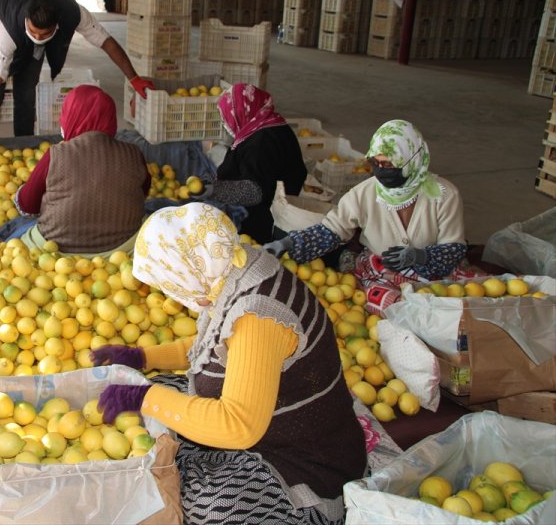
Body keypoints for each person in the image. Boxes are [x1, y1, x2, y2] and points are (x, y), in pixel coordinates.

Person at [92, 203, 367, 524]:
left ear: (188, 271)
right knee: (154, 395)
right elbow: (216, 344)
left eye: (169, 284)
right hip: (263, 419)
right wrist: (143, 357)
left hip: (304, 458)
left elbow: (238, 426)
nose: (170, 293)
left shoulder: (257, 316)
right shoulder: (234, 267)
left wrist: (143, 398)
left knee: (211, 506)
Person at [263, 119, 467, 314]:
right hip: (378, 273)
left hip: (430, 275)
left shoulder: (444, 195)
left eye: (389, 164)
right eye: (375, 163)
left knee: (448, 307)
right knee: (392, 306)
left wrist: (418, 256)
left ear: (412, 161)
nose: (381, 171)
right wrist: (288, 243)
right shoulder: (364, 193)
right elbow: (332, 230)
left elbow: (453, 248)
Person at [0, 0, 155, 163]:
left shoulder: (73, 12)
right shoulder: (5, 34)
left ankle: (24, 147)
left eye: (43, 34)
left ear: (56, 25)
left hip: (31, 43)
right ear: (26, 19)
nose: (37, 38)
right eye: (33, 32)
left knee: (27, 94)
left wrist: (134, 79)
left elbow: (106, 42)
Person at [13, 85, 150, 254]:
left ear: (70, 115)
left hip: (57, 256)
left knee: (15, 229)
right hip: (123, 252)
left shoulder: (56, 155)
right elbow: (143, 193)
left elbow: (27, 206)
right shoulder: (133, 153)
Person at [194, 83, 308, 243]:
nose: (226, 122)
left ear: (241, 113)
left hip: (262, 221)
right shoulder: (270, 123)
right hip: (276, 204)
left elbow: (254, 191)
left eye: (228, 117)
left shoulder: (261, 143)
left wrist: (215, 190)